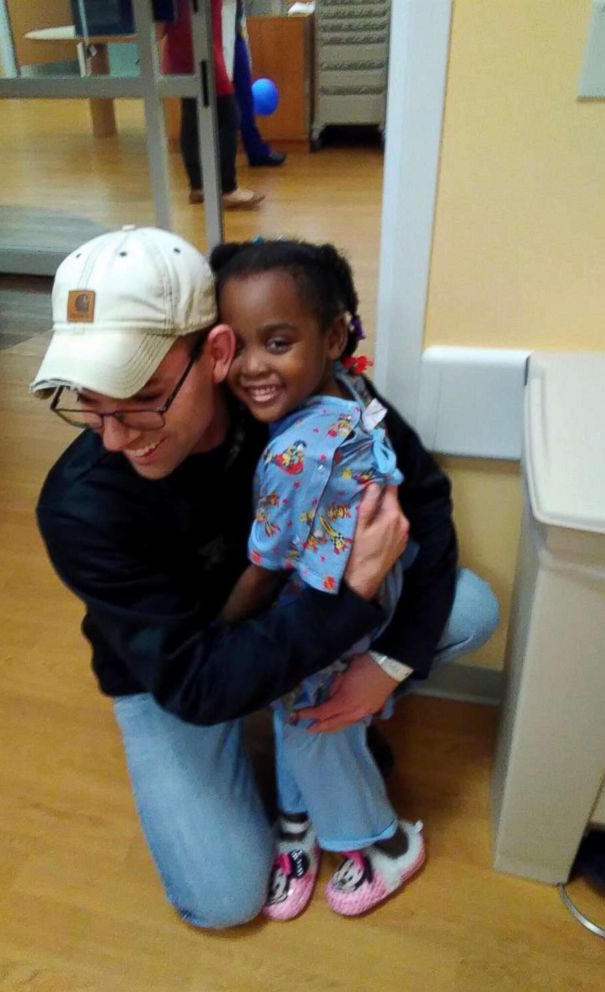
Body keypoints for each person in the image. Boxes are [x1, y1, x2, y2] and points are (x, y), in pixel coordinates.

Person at [31, 226, 499, 930]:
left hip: (291, 617)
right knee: (222, 900)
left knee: (465, 608)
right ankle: (304, 742)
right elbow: (198, 683)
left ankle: (316, 744)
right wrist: (347, 605)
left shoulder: (292, 395)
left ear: (214, 353)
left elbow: (426, 504)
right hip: (185, 665)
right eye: (88, 401)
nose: (116, 435)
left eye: (143, 395)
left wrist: (385, 665)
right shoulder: (81, 508)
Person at [212, 237, 425, 920]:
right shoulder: (349, 389)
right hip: (367, 591)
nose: (251, 368)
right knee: (289, 709)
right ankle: (296, 827)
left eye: (276, 343)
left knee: (310, 720)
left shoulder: (296, 454)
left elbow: (265, 567)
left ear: (332, 336)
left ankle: (384, 842)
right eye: (235, 345)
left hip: (331, 606)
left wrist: (216, 633)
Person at [160, 0, 264, 208]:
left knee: (191, 115)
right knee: (229, 116)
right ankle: (228, 188)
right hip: (201, 50)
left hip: (186, 48)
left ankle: (198, 186)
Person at [231, 0, 286, 167]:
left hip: (232, 30)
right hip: (220, 32)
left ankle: (255, 151)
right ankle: (253, 152)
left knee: (243, 98)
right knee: (233, 99)